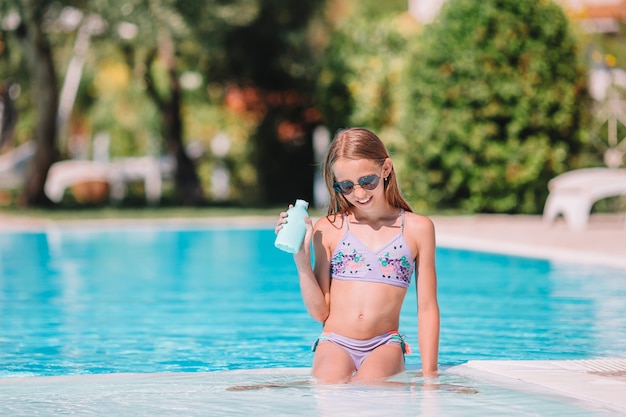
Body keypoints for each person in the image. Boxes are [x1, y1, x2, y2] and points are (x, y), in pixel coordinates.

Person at [276, 127, 439, 384]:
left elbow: (427, 308)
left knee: (370, 390)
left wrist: (431, 377)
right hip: (334, 341)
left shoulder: (418, 229)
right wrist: (301, 258)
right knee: (328, 388)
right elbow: (320, 313)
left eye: (367, 181)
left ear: (386, 169)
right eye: (346, 186)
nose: (359, 194)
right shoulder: (329, 228)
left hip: (385, 344)